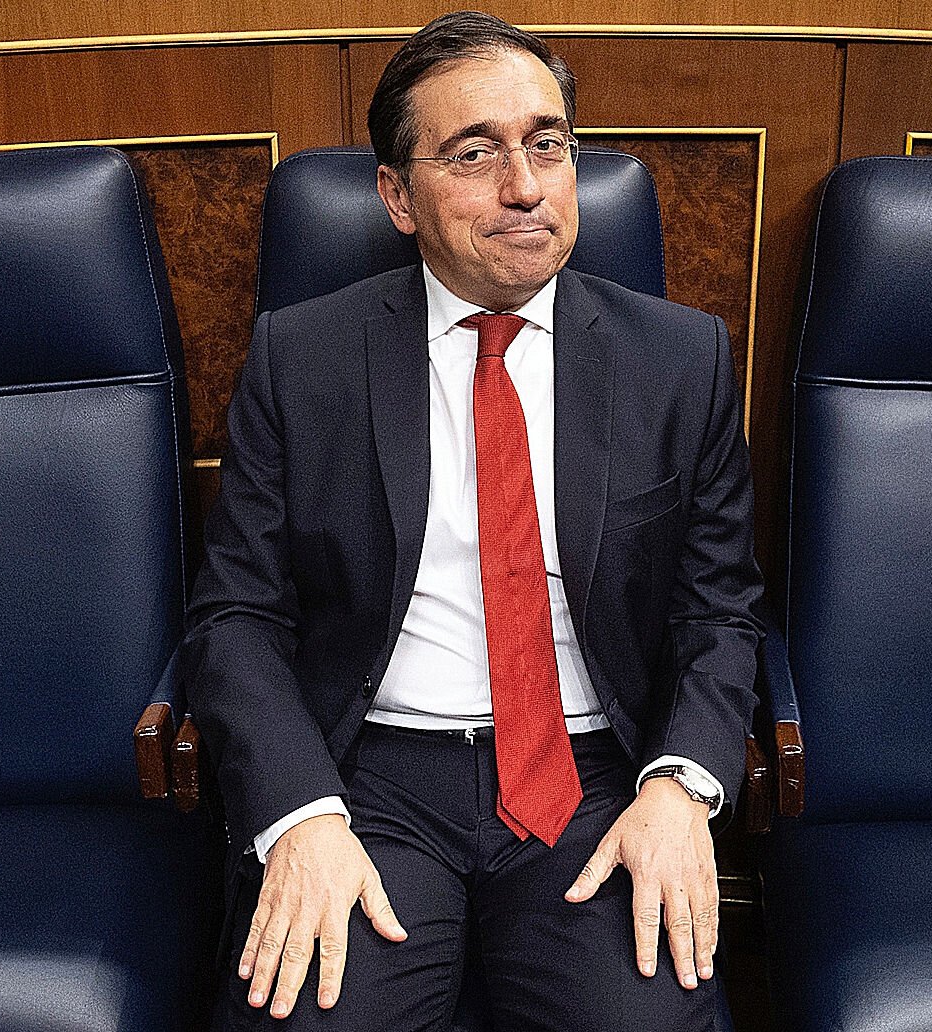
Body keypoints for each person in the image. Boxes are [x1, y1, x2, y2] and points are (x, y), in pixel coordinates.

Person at [182, 11, 764, 1030]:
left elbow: (718, 612)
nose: (525, 186)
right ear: (396, 196)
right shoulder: (300, 359)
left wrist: (681, 788)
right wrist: (299, 813)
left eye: (547, 144)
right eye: (474, 153)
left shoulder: (681, 361)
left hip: (591, 777)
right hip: (371, 778)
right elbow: (237, 616)